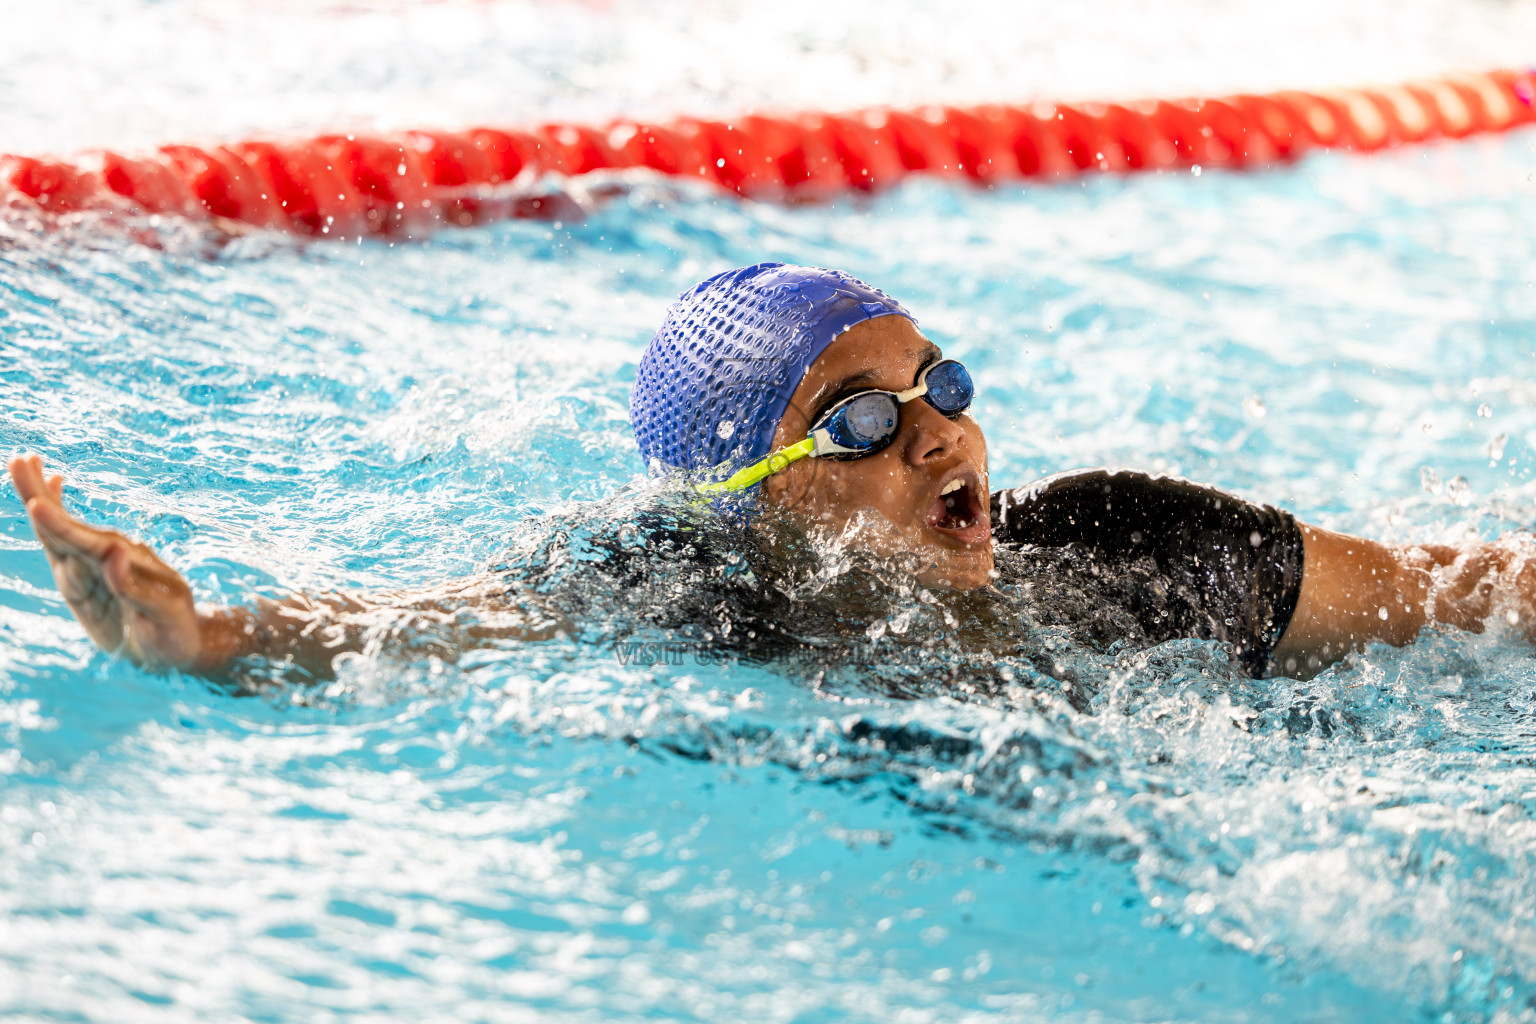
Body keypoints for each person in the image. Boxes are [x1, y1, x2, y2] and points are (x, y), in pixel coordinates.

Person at [9, 263, 1534, 688]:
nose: (942, 433)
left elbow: (1473, 598)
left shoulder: (1143, 547)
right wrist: (204, 640)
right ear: (751, 498)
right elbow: (423, 627)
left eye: (940, 386)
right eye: (860, 423)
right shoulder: (685, 590)